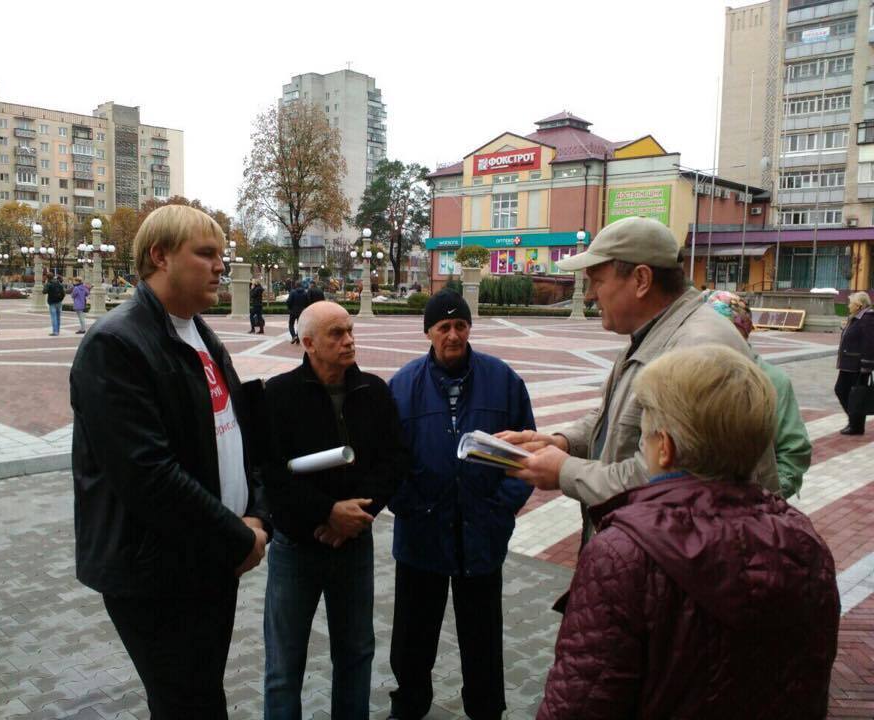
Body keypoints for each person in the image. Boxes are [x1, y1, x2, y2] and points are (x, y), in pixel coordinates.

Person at [535, 345, 840, 720]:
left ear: (664, 448)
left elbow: (578, 706)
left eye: (643, 437)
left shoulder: (623, 555)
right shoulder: (806, 546)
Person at [70, 204, 269, 719]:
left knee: (200, 694)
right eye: (206, 254)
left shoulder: (200, 333)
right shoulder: (115, 344)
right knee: (190, 702)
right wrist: (239, 536)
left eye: (222, 256)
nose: (220, 266)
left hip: (209, 559)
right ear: (159, 256)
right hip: (157, 574)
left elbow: (239, 433)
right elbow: (148, 476)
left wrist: (259, 517)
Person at [499, 217, 777, 544]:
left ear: (641, 279)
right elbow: (618, 419)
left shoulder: (695, 351)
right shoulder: (655, 333)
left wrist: (563, 470)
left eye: (597, 281)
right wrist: (563, 442)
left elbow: (661, 481)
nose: (589, 295)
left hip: (680, 563)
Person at [386, 290, 535, 720]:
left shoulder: (502, 380)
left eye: (460, 326)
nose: (453, 335)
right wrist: (410, 506)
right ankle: (409, 706)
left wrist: (499, 508)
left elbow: (526, 451)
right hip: (421, 535)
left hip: (481, 534)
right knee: (413, 636)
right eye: (443, 327)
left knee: (483, 638)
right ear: (428, 332)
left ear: (470, 328)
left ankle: (487, 710)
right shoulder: (403, 386)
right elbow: (388, 461)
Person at [262, 300, 409, 719]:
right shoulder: (279, 395)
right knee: (283, 666)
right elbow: (270, 473)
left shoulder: (373, 392)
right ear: (307, 343)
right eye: (336, 334)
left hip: (354, 547)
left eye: (349, 331)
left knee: (356, 655)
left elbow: (393, 461)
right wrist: (326, 512)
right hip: (296, 548)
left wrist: (356, 516)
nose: (349, 341)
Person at [702, 289, 812, 498]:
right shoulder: (690, 375)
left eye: (720, 330)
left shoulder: (773, 381)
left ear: (742, 333)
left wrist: (765, 497)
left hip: (753, 511)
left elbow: (794, 452)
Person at [835, 291, 874, 435]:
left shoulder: (867, 318)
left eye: (851, 303)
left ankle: (855, 424)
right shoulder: (856, 318)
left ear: (858, 305)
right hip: (848, 364)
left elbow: (870, 343)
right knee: (853, 395)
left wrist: (866, 366)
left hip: (856, 365)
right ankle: (856, 424)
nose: (848, 305)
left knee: (847, 392)